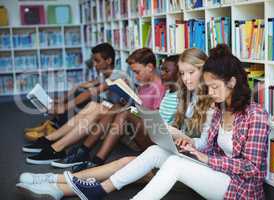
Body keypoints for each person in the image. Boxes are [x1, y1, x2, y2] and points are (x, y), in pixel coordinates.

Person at [60, 44, 269, 200]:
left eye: (214, 87)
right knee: (156, 152)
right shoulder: (218, 109)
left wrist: (206, 160)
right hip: (218, 172)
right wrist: (191, 145)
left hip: (241, 188)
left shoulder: (256, 115)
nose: (210, 93)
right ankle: (100, 190)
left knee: (175, 163)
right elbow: (207, 145)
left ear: (232, 82)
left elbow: (253, 169)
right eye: (208, 87)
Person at [16, 48, 214, 199]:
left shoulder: (211, 103)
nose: (185, 78)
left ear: (204, 71)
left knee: (128, 162)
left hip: (192, 165)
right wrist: (174, 134)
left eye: (191, 73)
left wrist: (184, 139)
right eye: (183, 73)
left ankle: (59, 184)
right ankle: (56, 182)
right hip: (176, 153)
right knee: (125, 161)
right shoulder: (188, 97)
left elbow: (206, 146)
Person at [52, 55, 180, 171]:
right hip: (148, 128)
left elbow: (157, 116)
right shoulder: (165, 91)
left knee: (118, 111)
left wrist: (137, 108)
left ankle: (90, 156)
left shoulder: (165, 90)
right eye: (162, 69)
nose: (162, 73)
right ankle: (86, 153)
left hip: (155, 135)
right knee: (116, 107)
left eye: (166, 71)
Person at [22, 43, 125, 164]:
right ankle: (50, 140)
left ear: (109, 60)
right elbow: (84, 86)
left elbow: (91, 92)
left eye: (97, 61)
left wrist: (64, 107)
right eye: (94, 61)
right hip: (108, 112)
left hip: (118, 117)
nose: (95, 65)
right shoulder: (105, 74)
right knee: (93, 105)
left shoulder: (117, 75)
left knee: (95, 106)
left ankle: (56, 146)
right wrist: (61, 101)